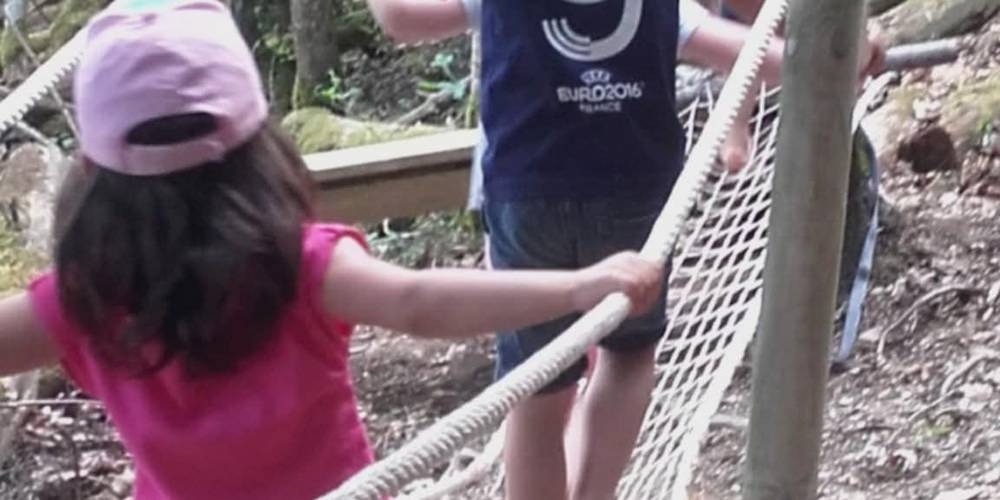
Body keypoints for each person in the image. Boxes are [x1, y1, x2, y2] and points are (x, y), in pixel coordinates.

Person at [0, 1, 666, 499]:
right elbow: (418, 302)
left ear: (89, 165)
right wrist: (578, 286)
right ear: (260, 143)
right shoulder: (298, 265)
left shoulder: (84, 298)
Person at [366, 1, 885, 499]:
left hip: (529, 197)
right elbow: (773, 59)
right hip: (634, 200)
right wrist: (855, 50)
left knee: (536, 383)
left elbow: (401, 17)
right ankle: (594, 493)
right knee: (629, 354)